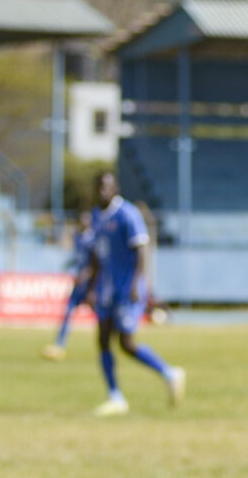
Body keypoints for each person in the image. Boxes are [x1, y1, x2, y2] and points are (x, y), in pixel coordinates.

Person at [87, 169, 185, 416]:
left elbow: (142, 250)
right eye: (98, 187)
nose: (102, 191)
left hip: (127, 289)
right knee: (102, 339)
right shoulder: (97, 216)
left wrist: (136, 285)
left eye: (106, 186)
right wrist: (91, 286)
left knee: (126, 344)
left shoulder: (127, 214)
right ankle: (115, 396)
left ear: (115, 188)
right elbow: (98, 254)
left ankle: (169, 372)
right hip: (107, 289)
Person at [40, 211, 94, 360]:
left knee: (103, 316)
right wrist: (70, 267)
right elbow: (79, 259)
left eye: (86, 219)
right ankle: (59, 344)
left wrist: (87, 275)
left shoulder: (94, 238)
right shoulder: (78, 237)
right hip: (79, 285)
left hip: (91, 285)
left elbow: (96, 263)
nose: (84, 222)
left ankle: (111, 344)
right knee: (68, 312)